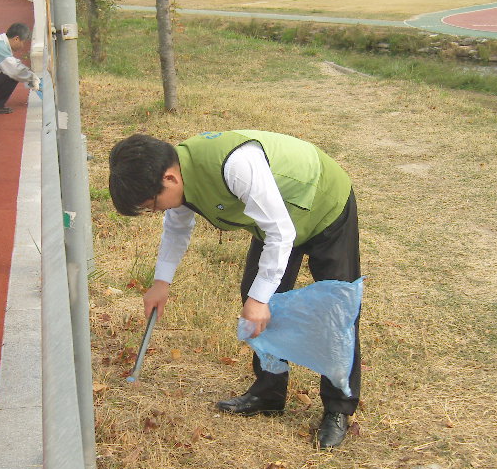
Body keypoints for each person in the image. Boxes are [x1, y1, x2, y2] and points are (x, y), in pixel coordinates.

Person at [108, 131, 362, 449]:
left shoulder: (236, 166)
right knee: (254, 298)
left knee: (335, 309)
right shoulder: (179, 177)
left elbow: (280, 233)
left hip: (323, 203)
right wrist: (161, 282)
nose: (156, 211)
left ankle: (338, 408)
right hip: (275, 216)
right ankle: (270, 390)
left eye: (152, 205)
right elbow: (177, 226)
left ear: (169, 178)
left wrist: (260, 299)